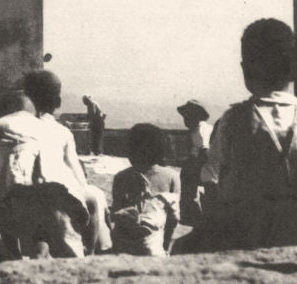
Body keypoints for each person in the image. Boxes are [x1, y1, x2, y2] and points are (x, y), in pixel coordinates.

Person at [180, 18, 297, 252]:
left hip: (244, 233)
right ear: (295, 68)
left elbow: (215, 177)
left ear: (245, 71)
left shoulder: (233, 119)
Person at [0, 89, 88, 259]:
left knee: (17, 231)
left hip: (19, 193)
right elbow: (76, 173)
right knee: (69, 249)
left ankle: (13, 259)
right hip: (62, 194)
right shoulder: (58, 130)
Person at [24, 71, 112, 254]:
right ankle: (91, 249)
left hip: (23, 193)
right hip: (57, 195)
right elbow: (78, 176)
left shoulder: (16, 126)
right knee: (95, 196)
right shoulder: (62, 132)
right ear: (57, 100)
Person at [111, 123, 179, 256]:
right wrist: (165, 245)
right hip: (153, 245)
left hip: (123, 247)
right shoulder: (171, 176)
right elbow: (173, 219)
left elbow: (117, 214)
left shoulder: (121, 177)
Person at [176, 99, 212, 226]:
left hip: (204, 166)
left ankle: (191, 214)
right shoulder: (200, 128)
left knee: (187, 178)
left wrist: (194, 165)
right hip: (202, 164)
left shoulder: (200, 132)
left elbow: (205, 152)